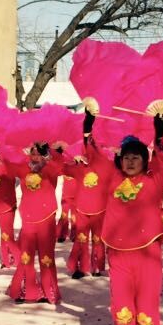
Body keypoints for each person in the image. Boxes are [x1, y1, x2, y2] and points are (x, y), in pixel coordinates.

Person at [98, 115, 163, 325]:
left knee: (146, 310)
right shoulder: (112, 180)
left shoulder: (154, 181)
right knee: (122, 309)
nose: (130, 162)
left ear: (145, 160)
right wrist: (88, 133)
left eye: (136, 157)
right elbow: (96, 161)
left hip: (147, 255)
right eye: (126, 157)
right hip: (118, 255)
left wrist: (160, 133)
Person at [0, 142, 64, 304]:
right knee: (26, 256)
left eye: (38, 153)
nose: (35, 157)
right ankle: (25, 290)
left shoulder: (49, 169)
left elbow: (59, 166)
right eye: (33, 153)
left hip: (46, 219)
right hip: (28, 218)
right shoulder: (23, 168)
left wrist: (50, 153)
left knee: (46, 257)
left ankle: (48, 292)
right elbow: (8, 167)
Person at [64, 115, 112, 278]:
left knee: (98, 239)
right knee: (81, 238)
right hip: (82, 209)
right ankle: (80, 267)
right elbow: (61, 168)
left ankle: (97, 266)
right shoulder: (79, 167)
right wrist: (57, 153)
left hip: (100, 209)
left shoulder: (107, 166)